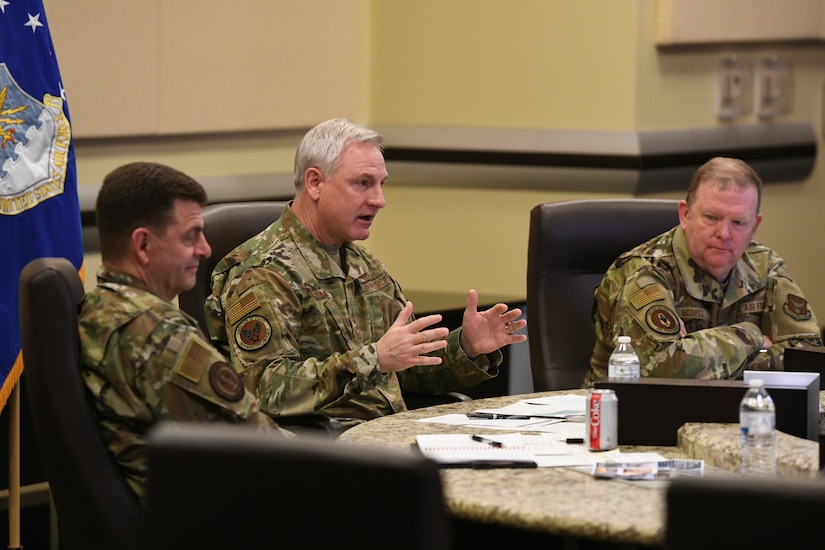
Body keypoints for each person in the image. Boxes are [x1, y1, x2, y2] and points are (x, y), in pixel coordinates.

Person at [205, 118, 527, 429]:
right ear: (315, 182)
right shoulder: (262, 273)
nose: (379, 200)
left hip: (387, 435)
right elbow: (265, 388)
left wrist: (466, 347)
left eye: (380, 184)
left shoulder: (362, 264)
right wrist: (375, 360)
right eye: (363, 183)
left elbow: (407, 366)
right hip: (325, 451)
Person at [79, 162, 288, 505]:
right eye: (191, 236)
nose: (205, 249)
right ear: (143, 244)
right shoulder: (162, 335)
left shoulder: (99, 307)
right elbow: (259, 441)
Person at [584, 157, 822, 387]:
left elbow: (808, 357)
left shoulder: (765, 266)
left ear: (755, 226)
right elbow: (662, 370)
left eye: (738, 222)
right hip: (624, 415)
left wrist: (705, 359)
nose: (724, 233)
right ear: (685, 214)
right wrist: (749, 336)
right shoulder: (646, 271)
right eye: (712, 218)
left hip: (738, 411)